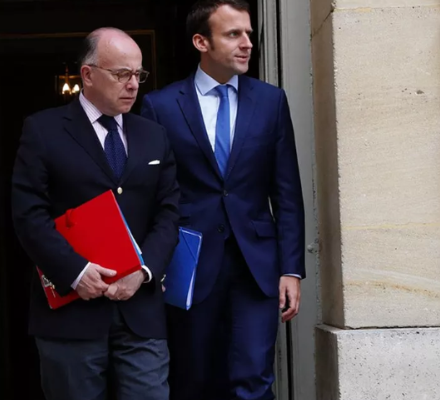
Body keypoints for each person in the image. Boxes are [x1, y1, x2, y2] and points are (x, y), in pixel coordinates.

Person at [140, 1, 306, 399]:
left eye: (249, 34)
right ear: (201, 41)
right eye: (234, 34)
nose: (247, 43)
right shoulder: (160, 106)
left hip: (257, 265)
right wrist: (154, 264)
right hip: (189, 264)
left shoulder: (271, 102)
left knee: (254, 379)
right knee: (193, 379)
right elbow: (153, 196)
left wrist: (291, 269)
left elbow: (286, 192)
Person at [11, 27, 179, 400]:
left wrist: (145, 269)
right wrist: (74, 272)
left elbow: (169, 213)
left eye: (138, 75)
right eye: (122, 74)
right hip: (71, 314)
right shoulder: (43, 130)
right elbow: (28, 214)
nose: (133, 84)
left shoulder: (154, 135)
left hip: (141, 310)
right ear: (87, 74)